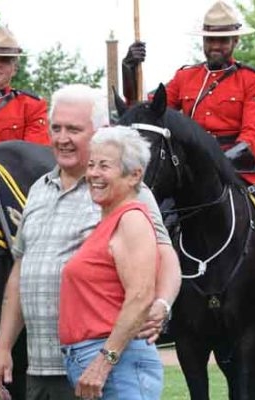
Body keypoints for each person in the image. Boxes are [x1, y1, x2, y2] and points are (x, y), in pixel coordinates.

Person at [123, 0, 255, 336]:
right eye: (211, 39)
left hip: (243, 167)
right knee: (154, 223)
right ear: (203, 41)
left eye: (223, 40)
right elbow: (147, 111)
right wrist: (129, 69)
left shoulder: (252, 80)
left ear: (235, 43)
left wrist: (221, 163)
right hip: (192, 176)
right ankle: (163, 309)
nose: (216, 46)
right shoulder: (186, 78)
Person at [0, 84, 181, 399]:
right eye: (56, 128)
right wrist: (3, 346)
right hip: (41, 364)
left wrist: (162, 304)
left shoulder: (126, 191)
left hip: (98, 360)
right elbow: (21, 272)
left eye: (74, 129)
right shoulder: (38, 188)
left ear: (100, 132)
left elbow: (166, 257)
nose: (62, 138)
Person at [59, 126, 163, 399]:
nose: (93, 173)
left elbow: (140, 296)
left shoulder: (132, 220)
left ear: (134, 175)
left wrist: (104, 362)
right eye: (91, 164)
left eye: (105, 166)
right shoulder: (108, 222)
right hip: (93, 359)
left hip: (116, 364)